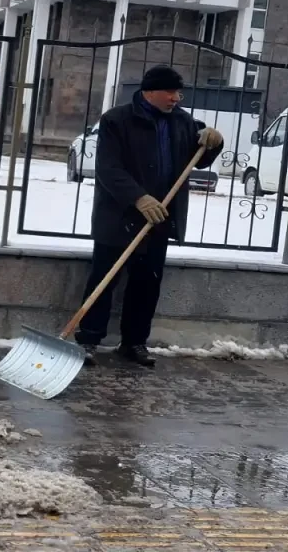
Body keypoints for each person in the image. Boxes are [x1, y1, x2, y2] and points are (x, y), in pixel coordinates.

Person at [75, 65, 224, 368]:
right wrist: (138, 197)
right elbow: (109, 169)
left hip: (159, 219)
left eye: (178, 92)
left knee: (147, 284)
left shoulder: (182, 122)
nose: (176, 98)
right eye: (170, 91)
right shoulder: (117, 120)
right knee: (104, 279)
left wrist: (214, 141)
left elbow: (199, 157)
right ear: (150, 91)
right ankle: (88, 339)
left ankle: (134, 342)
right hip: (119, 216)